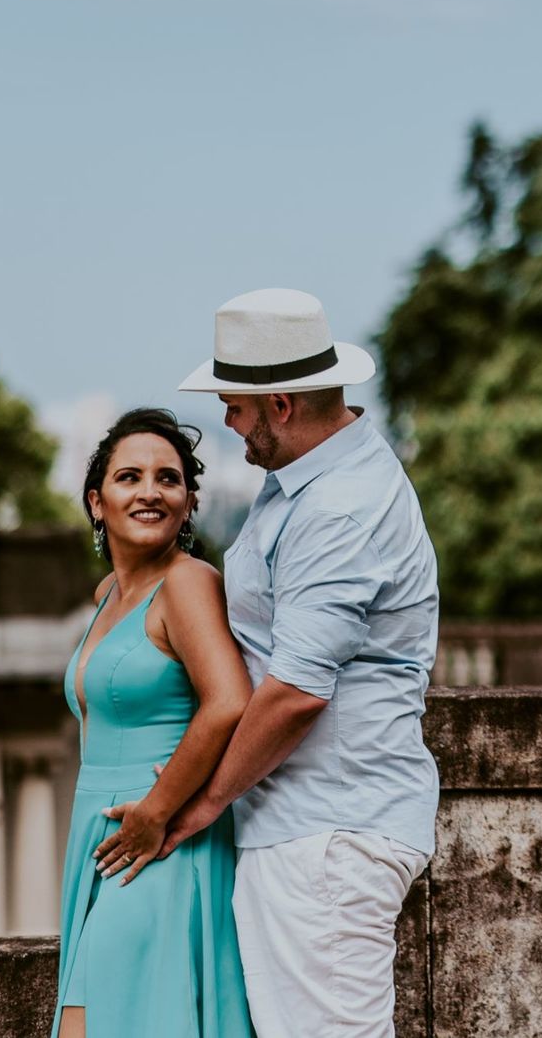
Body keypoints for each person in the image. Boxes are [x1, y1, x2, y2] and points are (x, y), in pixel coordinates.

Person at [144, 287, 441, 1038]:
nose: (227, 421)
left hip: (327, 835)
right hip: (311, 827)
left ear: (279, 403)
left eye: (236, 406)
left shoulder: (338, 508)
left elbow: (298, 691)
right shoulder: (305, 484)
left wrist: (205, 800)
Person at [53, 408, 254, 1038]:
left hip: (160, 838)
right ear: (96, 501)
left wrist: (158, 812)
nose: (149, 491)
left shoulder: (189, 584)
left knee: (96, 1023)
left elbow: (228, 701)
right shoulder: (107, 595)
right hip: (103, 835)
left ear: (188, 503)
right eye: (129, 476)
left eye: (168, 479)